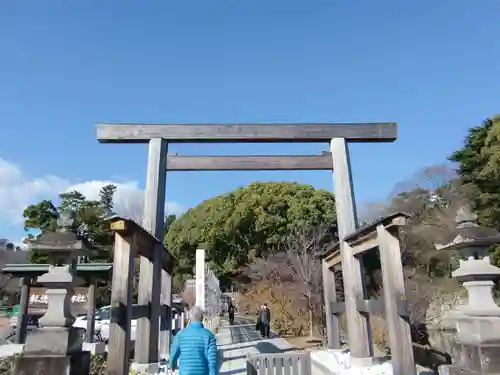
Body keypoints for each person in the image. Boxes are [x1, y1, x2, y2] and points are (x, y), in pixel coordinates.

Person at [169, 306, 218, 375]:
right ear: (201, 318)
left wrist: (172, 364)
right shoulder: (209, 336)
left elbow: (174, 353)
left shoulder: (180, 335)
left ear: (190, 318)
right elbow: (212, 361)